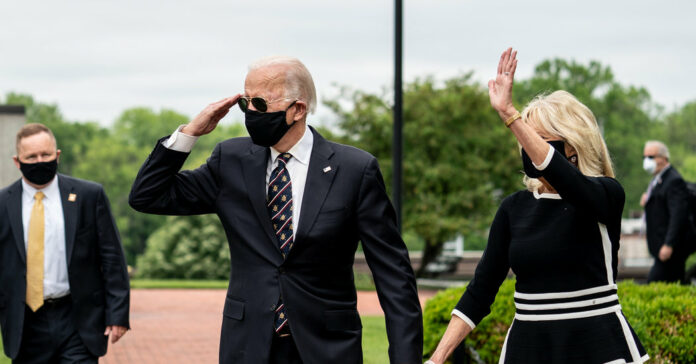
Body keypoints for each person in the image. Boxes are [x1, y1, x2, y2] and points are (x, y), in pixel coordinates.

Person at [129, 56, 423, 364]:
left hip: (327, 347)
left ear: (297, 109)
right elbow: (147, 196)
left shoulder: (354, 170)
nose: (251, 112)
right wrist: (190, 133)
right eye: (246, 103)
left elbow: (394, 277)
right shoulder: (230, 161)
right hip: (248, 345)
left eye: (260, 103)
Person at [425, 48, 648, 364]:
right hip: (529, 348)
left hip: (596, 346)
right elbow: (480, 290)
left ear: (572, 146)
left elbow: (565, 178)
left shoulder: (604, 195)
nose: (527, 148)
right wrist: (437, 358)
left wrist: (510, 115)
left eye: (538, 139)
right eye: (525, 139)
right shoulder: (514, 209)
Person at [0, 123, 130, 363]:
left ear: (57, 155)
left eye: (45, 154)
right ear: (17, 161)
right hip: (25, 324)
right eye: (31, 156)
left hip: (78, 319)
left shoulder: (88, 196)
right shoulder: (2, 204)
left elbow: (111, 257)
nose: (40, 161)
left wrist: (118, 314)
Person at [641, 140, 695, 283]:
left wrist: (669, 244)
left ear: (663, 158)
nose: (647, 161)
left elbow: (678, 216)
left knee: (655, 282)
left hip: (672, 249)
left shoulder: (673, 180)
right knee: (676, 282)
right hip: (662, 247)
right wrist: (648, 200)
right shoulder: (658, 179)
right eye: (644, 157)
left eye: (651, 157)